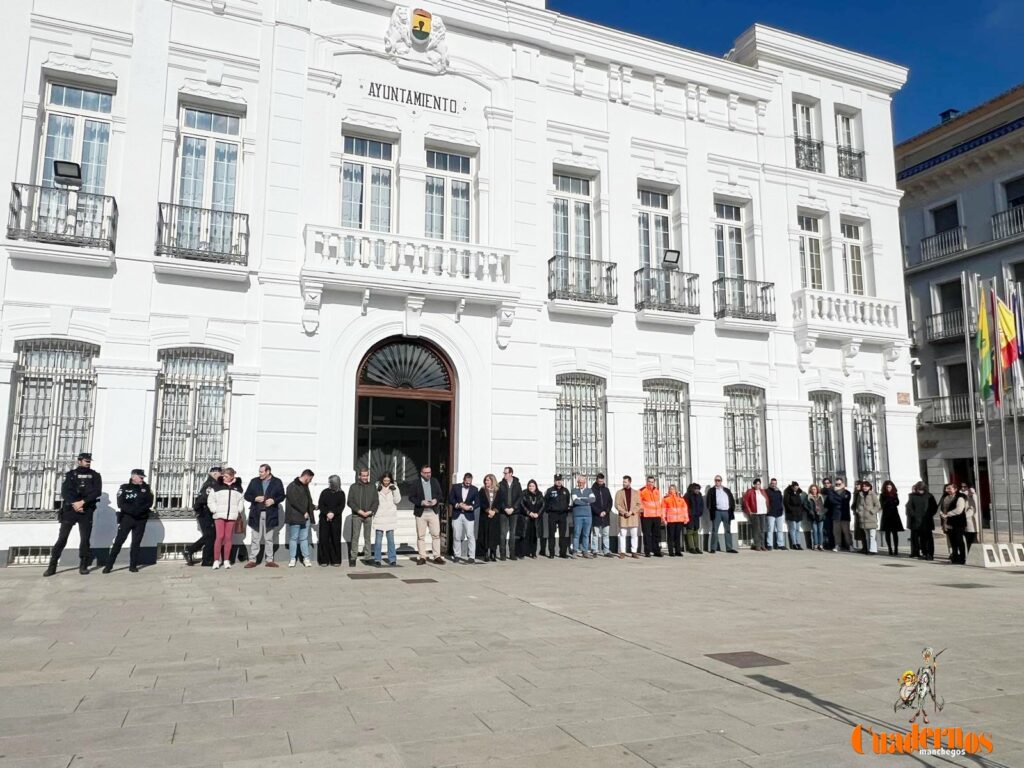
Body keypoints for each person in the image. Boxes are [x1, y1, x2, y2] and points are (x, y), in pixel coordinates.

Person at [44, 452, 103, 577]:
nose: (88, 462)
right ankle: (52, 566)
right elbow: (65, 492)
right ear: (79, 461)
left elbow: (97, 492)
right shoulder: (71, 475)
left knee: (85, 539)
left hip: (86, 510)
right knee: (62, 538)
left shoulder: (95, 475)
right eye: (86, 460)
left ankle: (83, 565)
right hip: (70, 510)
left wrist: (82, 502)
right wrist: (75, 503)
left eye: (89, 461)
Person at [103, 469, 154, 573]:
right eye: (140, 477)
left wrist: (140, 511)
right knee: (119, 541)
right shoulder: (124, 488)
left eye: (143, 477)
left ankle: (133, 565)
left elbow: (149, 502)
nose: (142, 479)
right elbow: (121, 503)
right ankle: (109, 565)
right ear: (133, 476)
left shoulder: (146, 488)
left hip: (141, 519)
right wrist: (133, 511)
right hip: (127, 518)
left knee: (136, 543)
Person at [243, 464, 285, 567]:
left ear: (268, 472)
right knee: (255, 538)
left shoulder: (277, 482)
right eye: (259, 471)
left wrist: (274, 501)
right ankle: (252, 560)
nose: (260, 474)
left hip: (270, 514)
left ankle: (269, 560)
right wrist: (255, 499)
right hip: (256, 513)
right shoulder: (254, 481)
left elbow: (282, 496)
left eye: (261, 472)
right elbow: (247, 495)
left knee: (269, 538)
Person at [207, 467, 245, 569]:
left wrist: (239, 509)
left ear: (232, 477)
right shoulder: (217, 486)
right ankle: (216, 560)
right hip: (219, 515)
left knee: (228, 538)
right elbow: (211, 499)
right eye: (223, 476)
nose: (224, 478)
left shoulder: (237, 487)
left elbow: (241, 500)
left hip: (231, 516)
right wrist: (214, 509)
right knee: (219, 537)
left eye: (226, 476)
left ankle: (226, 560)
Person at [408, 464, 444, 565]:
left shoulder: (434, 481)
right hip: (421, 513)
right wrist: (421, 502)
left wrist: (435, 500)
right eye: (426, 473)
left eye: (429, 472)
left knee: (436, 535)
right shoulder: (416, 483)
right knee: (421, 536)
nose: (428, 474)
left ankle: (437, 556)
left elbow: (440, 495)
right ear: (421, 473)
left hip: (433, 512)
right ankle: (422, 556)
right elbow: (411, 497)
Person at [184, 467, 220, 567]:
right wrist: (198, 510)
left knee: (211, 536)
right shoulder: (210, 484)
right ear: (214, 474)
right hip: (205, 513)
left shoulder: (213, 483)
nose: (221, 475)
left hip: (207, 512)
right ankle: (191, 550)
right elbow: (202, 499)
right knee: (210, 535)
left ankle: (206, 559)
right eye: (220, 473)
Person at [346, 468, 378, 567]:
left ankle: (367, 557)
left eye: (366, 475)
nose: (365, 477)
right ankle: (353, 558)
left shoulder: (372, 487)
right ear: (359, 476)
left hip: (368, 515)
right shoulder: (354, 487)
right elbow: (350, 501)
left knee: (367, 537)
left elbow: (376, 501)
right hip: (357, 515)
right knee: (355, 537)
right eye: (363, 475)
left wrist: (371, 511)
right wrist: (359, 511)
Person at [285, 470, 316, 568]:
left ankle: (306, 558)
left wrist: (313, 507)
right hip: (295, 517)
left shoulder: (305, 486)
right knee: (294, 538)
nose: (310, 481)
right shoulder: (292, 486)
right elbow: (294, 501)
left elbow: (307, 500)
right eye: (310, 479)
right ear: (307, 477)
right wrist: (304, 511)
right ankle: (292, 559)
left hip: (305, 518)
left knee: (304, 538)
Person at [448, 472, 479, 564]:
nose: (468, 484)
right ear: (463, 480)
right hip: (457, 514)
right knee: (456, 535)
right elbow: (451, 499)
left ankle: (472, 556)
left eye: (470, 483)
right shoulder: (455, 487)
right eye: (466, 483)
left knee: (470, 535)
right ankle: (457, 555)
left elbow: (477, 502)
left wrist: (470, 507)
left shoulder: (474, 489)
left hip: (468, 515)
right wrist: (458, 505)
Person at [317, 475, 346, 566]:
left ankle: (336, 560)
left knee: (335, 539)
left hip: (336, 519)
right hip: (324, 518)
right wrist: (327, 513)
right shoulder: (324, 492)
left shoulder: (341, 493)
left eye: (331, 482)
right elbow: (321, 504)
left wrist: (333, 513)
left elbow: (341, 506)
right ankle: (324, 560)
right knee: (324, 539)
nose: (330, 484)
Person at [373, 472, 401, 567]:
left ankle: (392, 559)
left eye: (388, 480)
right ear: (382, 480)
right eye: (385, 480)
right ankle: (377, 559)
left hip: (390, 517)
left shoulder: (394, 487)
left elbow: (397, 500)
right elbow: (373, 500)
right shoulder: (377, 487)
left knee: (391, 540)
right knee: (378, 540)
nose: (386, 482)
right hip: (379, 515)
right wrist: (377, 490)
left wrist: (395, 490)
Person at [496, 467, 523, 561]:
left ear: (511, 474)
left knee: (513, 533)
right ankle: (502, 554)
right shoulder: (500, 484)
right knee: (503, 533)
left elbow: (520, 497)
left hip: (514, 512)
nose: (504, 475)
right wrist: (505, 508)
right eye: (504, 473)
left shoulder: (517, 484)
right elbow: (499, 498)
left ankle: (512, 554)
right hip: (503, 512)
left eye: (506, 473)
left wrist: (513, 508)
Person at [705, 475, 737, 554]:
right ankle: (713, 548)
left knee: (728, 530)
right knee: (715, 530)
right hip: (717, 512)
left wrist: (732, 508)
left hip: (726, 512)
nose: (717, 482)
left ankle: (729, 548)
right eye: (716, 480)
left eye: (718, 480)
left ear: (721, 481)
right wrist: (711, 510)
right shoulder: (711, 490)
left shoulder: (726, 490)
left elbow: (732, 500)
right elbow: (708, 502)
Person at [906, 482, 937, 560]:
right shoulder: (912, 496)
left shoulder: (929, 496)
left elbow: (934, 507)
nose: (920, 491)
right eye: (918, 489)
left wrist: (929, 515)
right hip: (916, 521)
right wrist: (914, 515)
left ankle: (930, 554)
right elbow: (909, 507)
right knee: (920, 539)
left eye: (921, 490)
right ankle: (923, 553)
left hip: (927, 520)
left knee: (928, 539)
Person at [939, 482, 968, 565]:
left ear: (955, 489)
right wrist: (942, 514)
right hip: (948, 522)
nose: (947, 490)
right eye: (946, 488)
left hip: (958, 522)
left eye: (949, 488)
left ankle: (962, 558)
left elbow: (959, 510)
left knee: (959, 540)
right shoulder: (945, 497)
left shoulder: (960, 497)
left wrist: (947, 514)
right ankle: (954, 557)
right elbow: (942, 508)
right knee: (952, 541)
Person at [614, 475, 642, 558]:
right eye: (623, 482)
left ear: (630, 482)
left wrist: (632, 512)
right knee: (622, 535)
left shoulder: (636, 492)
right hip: (623, 516)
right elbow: (617, 504)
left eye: (625, 482)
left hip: (633, 516)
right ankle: (622, 552)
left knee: (634, 535)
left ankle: (634, 552)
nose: (623, 483)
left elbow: (639, 504)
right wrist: (623, 512)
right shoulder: (619, 492)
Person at [544, 475, 571, 558]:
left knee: (563, 534)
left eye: (560, 480)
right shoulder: (550, 490)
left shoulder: (566, 491)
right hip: (553, 514)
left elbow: (567, 501)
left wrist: (565, 511)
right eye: (557, 480)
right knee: (551, 534)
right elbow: (545, 502)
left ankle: (562, 553)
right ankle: (551, 553)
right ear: (554, 481)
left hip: (562, 515)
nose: (559, 482)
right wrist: (550, 509)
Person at [571, 476, 596, 558]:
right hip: (577, 515)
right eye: (579, 482)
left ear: (585, 482)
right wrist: (586, 501)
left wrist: (581, 499)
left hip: (588, 516)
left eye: (582, 482)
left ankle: (585, 551)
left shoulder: (589, 490)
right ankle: (575, 551)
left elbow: (593, 500)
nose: (580, 484)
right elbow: (575, 501)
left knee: (586, 534)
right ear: (577, 482)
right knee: (576, 534)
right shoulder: (574, 490)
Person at [519, 480, 545, 558]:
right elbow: (522, 504)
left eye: (533, 486)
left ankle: (533, 553)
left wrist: (538, 514)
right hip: (526, 518)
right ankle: (522, 553)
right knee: (524, 536)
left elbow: (543, 505)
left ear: (536, 486)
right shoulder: (524, 493)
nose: (531, 487)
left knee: (534, 536)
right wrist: (529, 513)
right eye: (530, 486)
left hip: (536, 518)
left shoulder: (539, 494)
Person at [639, 476, 664, 557]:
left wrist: (661, 515)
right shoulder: (642, 490)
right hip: (646, 516)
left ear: (654, 482)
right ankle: (647, 551)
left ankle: (656, 551)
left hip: (656, 516)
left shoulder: (657, 490)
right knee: (647, 534)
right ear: (647, 481)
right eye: (649, 481)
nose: (651, 483)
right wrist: (642, 510)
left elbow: (659, 503)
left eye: (652, 482)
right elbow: (639, 502)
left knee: (657, 534)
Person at [590, 473, 614, 557]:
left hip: (605, 516)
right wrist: (598, 512)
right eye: (599, 481)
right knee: (595, 534)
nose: (600, 482)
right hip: (596, 516)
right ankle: (594, 550)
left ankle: (606, 550)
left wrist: (606, 511)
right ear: (596, 480)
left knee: (605, 534)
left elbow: (610, 502)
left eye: (602, 481)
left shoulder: (606, 490)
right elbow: (591, 503)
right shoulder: (592, 490)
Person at [854, 480, 881, 555]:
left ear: (869, 487)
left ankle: (873, 550)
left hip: (871, 518)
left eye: (866, 486)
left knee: (872, 535)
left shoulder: (872, 494)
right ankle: (869, 549)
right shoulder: (860, 494)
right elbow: (858, 505)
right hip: (863, 519)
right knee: (867, 536)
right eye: (863, 486)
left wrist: (872, 511)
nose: (865, 488)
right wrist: (859, 512)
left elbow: (878, 505)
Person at [662, 484, 689, 557]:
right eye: (670, 489)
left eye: (673, 489)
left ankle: (678, 551)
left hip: (679, 520)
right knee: (671, 536)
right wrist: (664, 519)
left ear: (676, 490)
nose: (672, 490)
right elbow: (663, 510)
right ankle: (671, 551)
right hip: (671, 520)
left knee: (677, 536)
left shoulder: (681, 499)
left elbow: (685, 509)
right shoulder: (666, 499)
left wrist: (686, 518)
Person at [742, 479, 768, 552]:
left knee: (762, 529)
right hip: (754, 513)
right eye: (756, 484)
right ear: (754, 484)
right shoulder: (750, 491)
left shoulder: (763, 491)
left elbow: (766, 501)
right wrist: (749, 511)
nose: (758, 485)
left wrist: (767, 510)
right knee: (757, 530)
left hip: (763, 512)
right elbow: (745, 501)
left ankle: (763, 545)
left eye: (759, 484)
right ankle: (758, 545)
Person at [478, 473, 499, 561]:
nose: (486, 482)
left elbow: (500, 502)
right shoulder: (482, 491)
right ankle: (485, 553)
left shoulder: (498, 491)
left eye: (488, 480)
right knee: (485, 534)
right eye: (485, 480)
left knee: (494, 534)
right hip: (485, 515)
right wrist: (488, 510)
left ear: (492, 481)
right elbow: (480, 502)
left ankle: (493, 553)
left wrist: (494, 511)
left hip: (494, 516)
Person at [879, 481, 904, 556]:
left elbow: (897, 503)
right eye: (887, 487)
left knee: (895, 533)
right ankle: (890, 549)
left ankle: (896, 549)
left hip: (894, 515)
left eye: (889, 487)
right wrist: (888, 499)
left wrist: (893, 498)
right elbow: (882, 504)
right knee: (887, 533)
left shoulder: (895, 494)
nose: (888, 489)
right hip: (886, 515)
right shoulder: (882, 495)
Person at [830, 478, 853, 551]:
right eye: (836, 484)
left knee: (846, 532)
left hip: (845, 515)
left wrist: (838, 500)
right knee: (836, 532)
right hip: (836, 515)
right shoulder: (832, 492)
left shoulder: (847, 492)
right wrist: (839, 500)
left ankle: (850, 545)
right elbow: (832, 501)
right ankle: (837, 545)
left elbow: (845, 501)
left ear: (843, 484)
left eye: (839, 484)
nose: (837, 485)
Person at [683, 482, 704, 554]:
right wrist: (688, 514)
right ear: (692, 489)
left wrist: (700, 512)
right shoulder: (687, 495)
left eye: (698, 489)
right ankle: (691, 548)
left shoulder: (699, 495)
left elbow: (701, 504)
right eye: (696, 489)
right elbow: (685, 506)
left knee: (696, 531)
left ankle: (697, 547)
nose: (698, 490)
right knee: (690, 531)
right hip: (689, 516)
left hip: (696, 516)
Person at [783, 481, 805, 550]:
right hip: (791, 514)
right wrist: (792, 510)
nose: (796, 489)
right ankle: (794, 544)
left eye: (797, 488)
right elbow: (786, 503)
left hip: (798, 514)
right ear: (792, 487)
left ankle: (798, 543)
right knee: (793, 529)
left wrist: (800, 510)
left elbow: (800, 503)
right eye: (795, 488)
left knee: (798, 529)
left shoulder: (799, 493)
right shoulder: (787, 493)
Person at [804, 483, 826, 551]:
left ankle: (821, 545)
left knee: (820, 531)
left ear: (817, 490)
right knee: (815, 531)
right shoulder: (808, 497)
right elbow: (805, 505)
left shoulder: (821, 496)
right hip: (813, 516)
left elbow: (824, 505)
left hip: (821, 516)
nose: (814, 490)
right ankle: (815, 545)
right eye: (812, 489)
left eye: (815, 489)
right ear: (810, 490)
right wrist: (810, 511)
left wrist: (824, 512)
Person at [765, 478, 786, 550]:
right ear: (770, 484)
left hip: (779, 513)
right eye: (772, 483)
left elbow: (781, 501)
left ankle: (780, 544)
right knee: (770, 529)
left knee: (780, 529)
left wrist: (782, 510)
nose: (774, 485)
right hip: (770, 513)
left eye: (775, 483)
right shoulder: (767, 491)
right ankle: (769, 545)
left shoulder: (779, 492)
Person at [960, 482, 979, 552]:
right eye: (962, 487)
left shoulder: (972, 496)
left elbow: (973, 509)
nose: (963, 488)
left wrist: (963, 516)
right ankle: (970, 554)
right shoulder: (963, 496)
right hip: (965, 522)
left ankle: (974, 555)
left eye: (965, 487)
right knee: (968, 540)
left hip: (971, 522)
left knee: (972, 540)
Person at [820, 477, 837, 550]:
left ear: (831, 483)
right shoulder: (822, 491)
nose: (826, 484)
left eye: (828, 483)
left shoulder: (833, 491)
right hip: (824, 512)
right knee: (825, 529)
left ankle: (832, 544)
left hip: (832, 512)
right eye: (825, 483)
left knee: (832, 530)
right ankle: (826, 543)